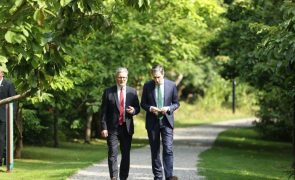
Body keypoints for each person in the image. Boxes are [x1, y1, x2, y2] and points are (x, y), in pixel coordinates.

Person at [141, 65, 180, 180]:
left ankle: (169, 177)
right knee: (155, 150)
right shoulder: (147, 86)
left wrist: (168, 108)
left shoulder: (171, 85)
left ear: (163, 74)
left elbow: (176, 103)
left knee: (168, 149)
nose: (156, 80)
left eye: (158, 77)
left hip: (167, 121)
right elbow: (143, 103)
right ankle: (158, 176)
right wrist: (150, 108)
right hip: (152, 122)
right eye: (154, 78)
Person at [100, 67, 140, 180]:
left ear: (127, 78)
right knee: (112, 153)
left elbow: (138, 107)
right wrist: (103, 127)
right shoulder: (108, 91)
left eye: (124, 77)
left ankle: (123, 177)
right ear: (116, 78)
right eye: (119, 77)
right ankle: (113, 177)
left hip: (126, 128)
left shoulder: (132, 92)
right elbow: (103, 111)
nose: (122, 79)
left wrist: (134, 111)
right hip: (112, 128)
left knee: (126, 155)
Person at [0, 68, 16, 167]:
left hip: (4, 116)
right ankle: (5, 160)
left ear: (2, 73)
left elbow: (13, 101)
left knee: (1, 139)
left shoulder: (9, 84)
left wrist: (11, 115)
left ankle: (4, 160)